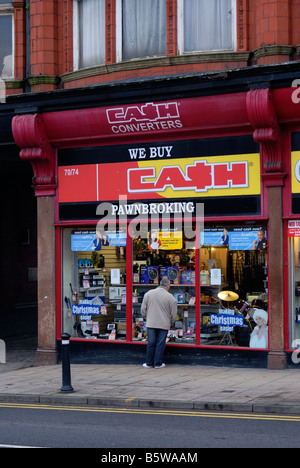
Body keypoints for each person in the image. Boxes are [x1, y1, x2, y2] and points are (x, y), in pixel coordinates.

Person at [141, 278, 177, 368]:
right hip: (164, 324)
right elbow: (173, 313)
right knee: (160, 344)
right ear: (168, 286)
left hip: (151, 322)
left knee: (151, 343)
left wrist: (147, 317)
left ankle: (149, 363)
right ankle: (158, 363)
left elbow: (143, 309)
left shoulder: (148, 294)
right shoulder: (170, 297)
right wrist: (171, 321)